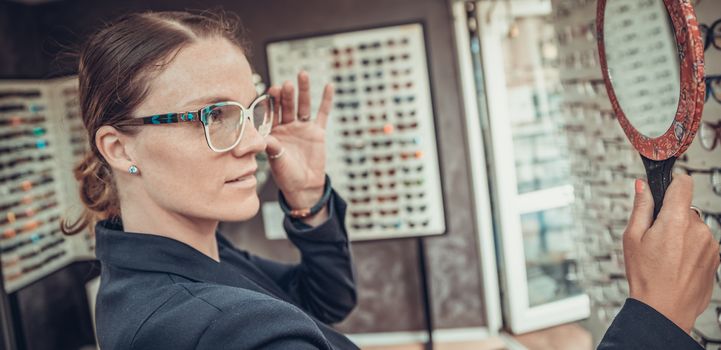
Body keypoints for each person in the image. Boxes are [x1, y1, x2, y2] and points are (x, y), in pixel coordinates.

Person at [61, 9, 718, 350]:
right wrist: (655, 321)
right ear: (120, 148)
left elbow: (324, 303)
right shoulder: (214, 328)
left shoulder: (180, 262)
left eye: (252, 109)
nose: (258, 139)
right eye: (214, 117)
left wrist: (308, 199)